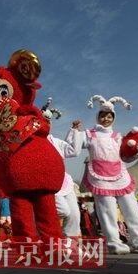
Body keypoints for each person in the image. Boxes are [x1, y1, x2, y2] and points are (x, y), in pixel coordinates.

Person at [67, 95, 138, 254]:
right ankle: (114, 242)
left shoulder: (118, 136)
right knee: (107, 210)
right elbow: (74, 149)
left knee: (132, 208)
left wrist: (135, 151)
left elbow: (125, 157)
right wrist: (75, 130)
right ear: (98, 116)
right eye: (103, 115)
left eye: (109, 116)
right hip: (100, 176)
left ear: (113, 118)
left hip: (120, 175)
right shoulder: (89, 134)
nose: (106, 118)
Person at [41, 98, 83, 237]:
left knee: (75, 215)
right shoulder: (32, 142)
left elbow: (73, 151)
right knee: (64, 211)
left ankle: (70, 243)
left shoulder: (56, 142)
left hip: (63, 182)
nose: (45, 124)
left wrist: (74, 131)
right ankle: (37, 222)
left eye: (48, 121)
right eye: (42, 121)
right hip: (47, 185)